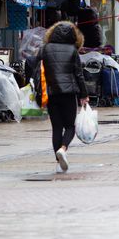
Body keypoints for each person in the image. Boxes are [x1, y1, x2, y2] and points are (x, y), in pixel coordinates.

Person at [40, 22, 89, 173]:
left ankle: (58, 162)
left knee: (56, 127)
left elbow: (36, 68)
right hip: (68, 94)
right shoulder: (72, 50)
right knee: (70, 126)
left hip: (52, 93)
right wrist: (84, 94)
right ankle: (63, 148)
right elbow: (79, 75)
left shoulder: (45, 49)